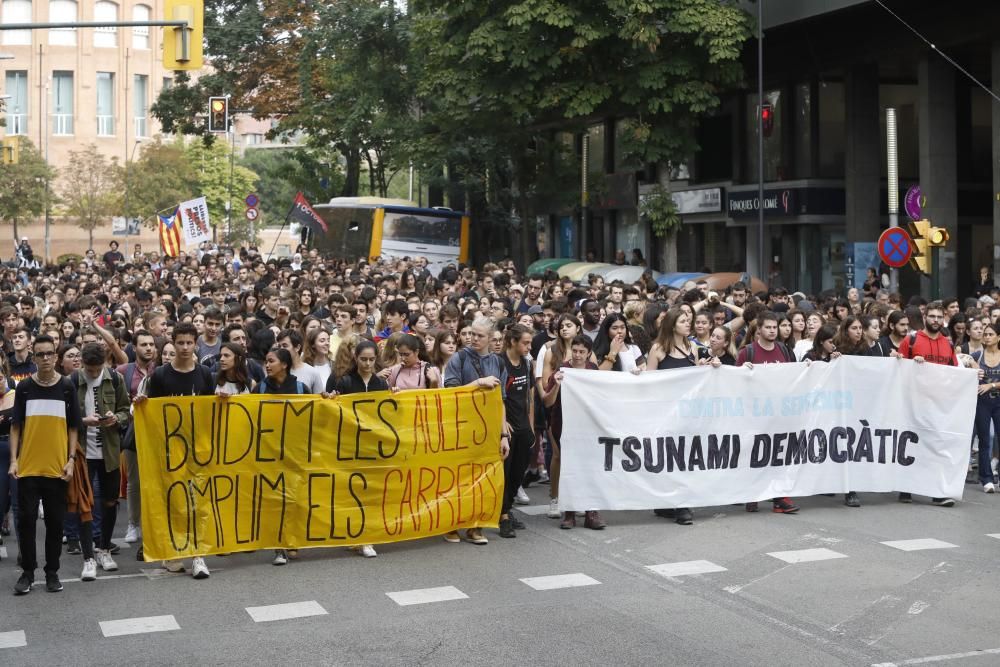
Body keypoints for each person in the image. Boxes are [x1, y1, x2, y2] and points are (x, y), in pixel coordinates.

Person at [136, 322, 216, 578]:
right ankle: (172, 553)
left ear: (196, 344)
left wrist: (222, 403)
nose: (184, 347)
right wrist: (142, 404)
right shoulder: (160, 375)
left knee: (198, 501)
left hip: (198, 449)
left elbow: (209, 410)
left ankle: (198, 554)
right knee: (173, 500)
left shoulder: (205, 374)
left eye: (189, 343)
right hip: (170, 449)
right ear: (174, 343)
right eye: (180, 342)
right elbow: (153, 412)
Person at [10, 334, 82, 595]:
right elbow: (16, 426)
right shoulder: (25, 388)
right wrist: (14, 461)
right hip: (28, 467)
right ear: (33, 356)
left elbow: (74, 427)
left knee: (55, 522)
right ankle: (28, 573)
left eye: (49, 353)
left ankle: (52, 572)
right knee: (27, 521)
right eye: (39, 354)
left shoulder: (66, 387)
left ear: (56, 354)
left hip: (57, 468)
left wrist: (71, 460)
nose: (45, 359)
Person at [442, 317, 510, 544]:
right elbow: (451, 393)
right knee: (457, 478)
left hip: (487, 432)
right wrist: (478, 383)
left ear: (491, 338)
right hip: (461, 428)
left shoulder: (499, 363)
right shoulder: (459, 359)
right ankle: (451, 524)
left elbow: (501, 402)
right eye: (472, 334)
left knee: (481, 480)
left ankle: (475, 526)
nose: (473, 339)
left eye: (480, 336)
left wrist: (503, 435)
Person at [71, 342, 130, 581]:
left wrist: (115, 417)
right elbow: (66, 415)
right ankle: (88, 557)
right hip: (83, 451)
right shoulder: (73, 381)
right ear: (83, 364)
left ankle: (104, 549)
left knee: (109, 502)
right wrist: (84, 420)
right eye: (90, 369)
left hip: (110, 451)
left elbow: (126, 410)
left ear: (105, 362)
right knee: (84, 504)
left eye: (98, 369)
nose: (94, 373)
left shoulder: (115, 379)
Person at [736, 311, 799, 514]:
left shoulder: (784, 350)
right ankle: (752, 493)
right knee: (755, 454)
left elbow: (794, 377)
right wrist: (742, 371)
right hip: (755, 414)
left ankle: (779, 497)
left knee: (779, 454)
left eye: (775, 327)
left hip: (780, 414)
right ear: (759, 330)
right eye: (768, 327)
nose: (772, 331)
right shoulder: (748, 352)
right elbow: (734, 382)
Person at [897, 301, 959, 506]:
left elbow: (955, 373)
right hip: (914, 402)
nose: (936, 320)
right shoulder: (911, 340)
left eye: (940, 317)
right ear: (925, 318)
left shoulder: (948, 343)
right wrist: (908, 363)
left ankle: (937, 491)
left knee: (936, 447)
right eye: (932, 316)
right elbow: (898, 368)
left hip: (939, 404)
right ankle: (906, 487)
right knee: (912, 444)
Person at [255, 346, 306, 565]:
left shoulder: (300, 388)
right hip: (268, 453)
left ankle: (291, 540)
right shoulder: (260, 388)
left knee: (293, 498)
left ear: (284, 365)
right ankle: (278, 545)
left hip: (294, 453)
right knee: (274, 499)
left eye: (271, 361)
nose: (267, 365)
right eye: (266, 361)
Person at [542, 335, 600, 528]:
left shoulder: (593, 370)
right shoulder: (562, 371)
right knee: (570, 467)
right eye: (574, 351)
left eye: (582, 352)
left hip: (588, 427)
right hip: (564, 425)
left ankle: (592, 511)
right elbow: (548, 402)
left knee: (590, 467)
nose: (577, 355)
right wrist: (557, 384)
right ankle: (569, 513)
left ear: (589, 353)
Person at [498, 324, 540, 537]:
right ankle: (503, 515)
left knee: (518, 472)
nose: (528, 346)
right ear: (513, 341)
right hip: (507, 428)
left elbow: (529, 397)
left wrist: (531, 427)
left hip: (524, 427)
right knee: (505, 472)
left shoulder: (526, 363)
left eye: (530, 343)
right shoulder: (500, 362)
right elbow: (496, 398)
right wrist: (502, 424)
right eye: (525, 342)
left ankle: (508, 505)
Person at [973, 324, 1000, 493]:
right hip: (982, 402)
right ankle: (986, 479)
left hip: (998, 401)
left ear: (998, 337)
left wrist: (992, 385)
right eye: (985, 334)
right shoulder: (978, 355)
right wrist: (972, 365)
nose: (987, 337)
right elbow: (960, 358)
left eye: (991, 334)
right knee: (984, 440)